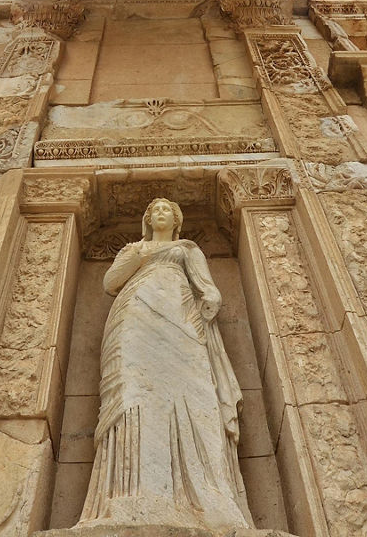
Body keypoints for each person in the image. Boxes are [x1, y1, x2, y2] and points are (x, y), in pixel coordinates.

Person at [78, 198, 253, 529]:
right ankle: (129, 491)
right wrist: (137, 256)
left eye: (165, 210)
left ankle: (206, 496)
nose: (159, 214)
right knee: (133, 394)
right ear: (147, 219)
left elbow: (209, 290)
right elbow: (110, 283)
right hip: (134, 316)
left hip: (180, 316)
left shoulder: (186, 249)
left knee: (195, 394)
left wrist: (208, 306)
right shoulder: (135, 249)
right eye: (154, 210)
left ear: (176, 220)